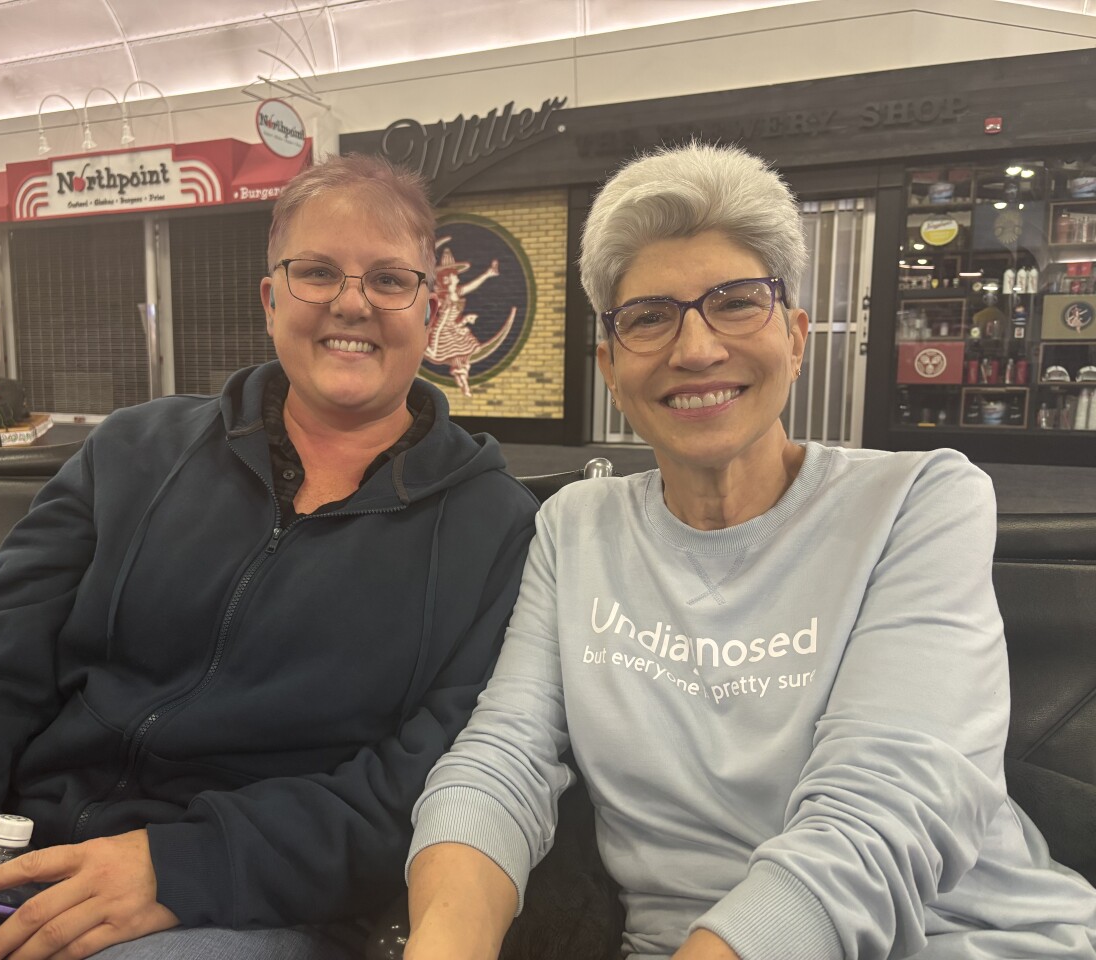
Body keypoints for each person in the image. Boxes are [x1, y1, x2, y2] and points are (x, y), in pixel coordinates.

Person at [0, 153, 539, 960]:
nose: (351, 302)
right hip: (15, 856)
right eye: (317, 272)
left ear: (430, 307)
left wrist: (181, 865)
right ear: (270, 299)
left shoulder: (494, 525)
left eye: (388, 280)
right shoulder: (132, 452)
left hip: (252, 903)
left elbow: (425, 785)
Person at [404, 142, 1096, 960]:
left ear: (795, 337)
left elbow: (886, 809)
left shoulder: (919, 500)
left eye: (735, 302)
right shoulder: (573, 527)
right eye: (649, 316)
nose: (695, 349)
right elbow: (501, 760)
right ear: (612, 367)